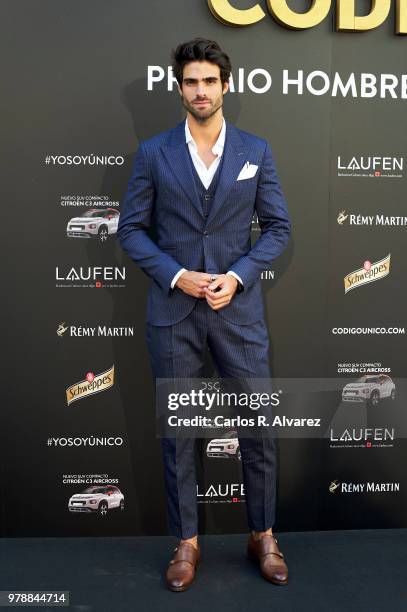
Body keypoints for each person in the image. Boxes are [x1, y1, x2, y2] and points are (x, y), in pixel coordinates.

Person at [118, 37, 291, 591]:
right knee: (179, 436)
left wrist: (237, 275)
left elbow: (279, 229)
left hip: (239, 315)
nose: (200, 90)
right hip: (174, 314)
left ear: (225, 87)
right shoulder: (153, 152)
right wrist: (177, 274)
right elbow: (129, 230)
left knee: (259, 429)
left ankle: (262, 534)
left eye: (209, 82)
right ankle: (186, 542)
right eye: (191, 81)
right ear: (180, 87)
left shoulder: (255, 152)